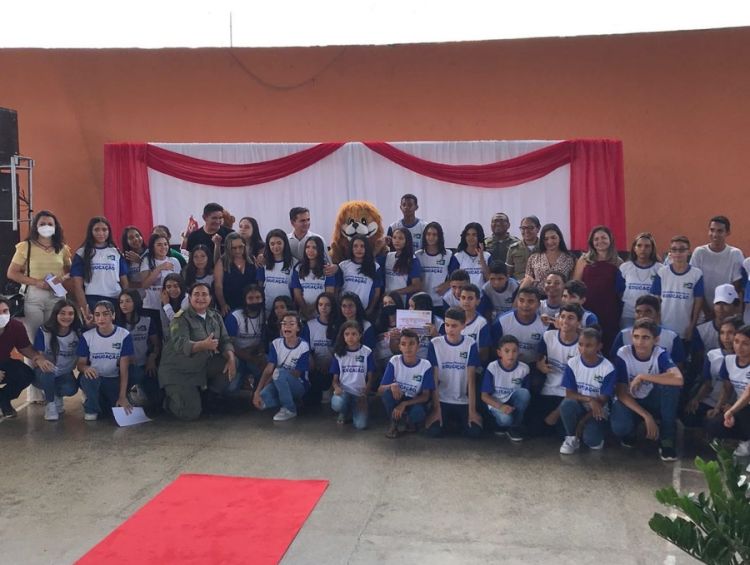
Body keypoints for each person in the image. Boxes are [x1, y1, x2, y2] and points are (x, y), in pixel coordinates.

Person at [7, 210, 72, 404]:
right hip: (34, 296)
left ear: (56, 226)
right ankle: (34, 392)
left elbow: (70, 271)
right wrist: (36, 282)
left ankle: (51, 388)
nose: (46, 227)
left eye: (50, 223)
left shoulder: (63, 248)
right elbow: (12, 273)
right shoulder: (25, 247)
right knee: (34, 341)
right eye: (42, 223)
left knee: (53, 339)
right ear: (36, 226)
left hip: (57, 297)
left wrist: (62, 278)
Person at [158, 282, 236, 421]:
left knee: (231, 362)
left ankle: (209, 396)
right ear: (189, 298)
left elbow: (225, 340)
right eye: (196, 294)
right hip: (179, 372)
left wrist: (231, 358)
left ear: (210, 298)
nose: (200, 298)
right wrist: (203, 345)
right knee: (191, 414)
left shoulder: (215, 316)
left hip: (201, 365)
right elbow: (181, 344)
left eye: (204, 294)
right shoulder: (180, 318)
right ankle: (169, 400)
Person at [610, 318, 684, 461]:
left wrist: (643, 376)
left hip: (652, 399)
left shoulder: (660, 354)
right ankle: (631, 431)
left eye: (645, 337)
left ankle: (667, 438)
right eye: (636, 337)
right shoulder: (623, 353)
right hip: (631, 401)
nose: (640, 342)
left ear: (656, 340)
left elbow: (678, 378)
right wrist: (646, 416)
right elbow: (621, 392)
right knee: (620, 428)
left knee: (671, 387)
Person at [425, 307, 483, 438]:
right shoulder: (435, 343)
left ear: (463, 326)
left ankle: (455, 423)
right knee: (434, 432)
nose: (450, 329)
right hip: (441, 399)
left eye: (454, 326)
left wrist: (472, 411)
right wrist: (436, 409)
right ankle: (450, 423)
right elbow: (434, 379)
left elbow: (471, 380)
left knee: (474, 433)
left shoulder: (470, 344)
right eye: (447, 325)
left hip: (463, 400)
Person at [558, 328, 616, 454]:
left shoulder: (608, 368)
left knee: (592, 442)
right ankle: (571, 438)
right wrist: (589, 399)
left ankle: (593, 432)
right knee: (567, 404)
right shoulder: (572, 363)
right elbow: (569, 394)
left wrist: (582, 422)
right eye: (580, 344)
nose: (583, 349)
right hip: (579, 406)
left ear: (599, 346)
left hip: (598, 411)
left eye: (589, 345)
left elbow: (602, 401)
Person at [76, 301, 134, 421]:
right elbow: (80, 365)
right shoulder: (87, 336)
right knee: (88, 378)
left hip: (113, 379)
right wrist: (86, 368)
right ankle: (91, 408)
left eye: (105, 314)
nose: (101, 318)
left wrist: (122, 396)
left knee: (112, 408)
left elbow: (124, 369)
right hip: (94, 378)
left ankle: (118, 396)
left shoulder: (124, 335)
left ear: (113, 315)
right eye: (97, 315)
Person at [683, 315, 743, 428]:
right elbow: (708, 384)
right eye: (722, 333)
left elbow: (729, 389)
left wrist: (726, 407)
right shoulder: (712, 355)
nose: (726, 337)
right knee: (689, 415)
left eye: (730, 333)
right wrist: (696, 399)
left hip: (733, 404)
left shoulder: (743, 359)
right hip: (711, 400)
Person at [0, 297, 54, 417]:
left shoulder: (16, 326)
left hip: (3, 361)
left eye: (5, 311)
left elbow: (26, 348)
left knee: (25, 374)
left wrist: (38, 358)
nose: (2, 315)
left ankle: (3, 399)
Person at [572, 225, 623, 351]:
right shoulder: (584, 260)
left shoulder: (618, 262)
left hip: (610, 309)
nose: (600, 241)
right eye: (596, 239)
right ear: (591, 242)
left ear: (610, 240)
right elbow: (576, 283)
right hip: (588, 306)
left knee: (608, 341)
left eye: (604, 238)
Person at [253, 311, 310, 421]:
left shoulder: (303, 346)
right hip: (277, 379)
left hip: (298, 384)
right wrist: (258, 391)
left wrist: (277, 375)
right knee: (261, 402)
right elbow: (269, 368)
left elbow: (297, 373)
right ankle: (291, 401)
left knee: (279, 373)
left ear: (298, 328)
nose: (287, 327)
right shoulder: (276, 343)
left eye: (291, 324)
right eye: (284, 324)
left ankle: (289, 408)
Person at [534, 304, 583, 432]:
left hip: (569, 395)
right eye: (562, 316)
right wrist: (540, 365)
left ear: (579, 322)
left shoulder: (582, 345)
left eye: (570, 318)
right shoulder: (548, 336)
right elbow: (539, 359)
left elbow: (582, 383)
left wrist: (555, 414)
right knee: (535, 427)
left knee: (561, 431)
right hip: (549, 389)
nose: (565, 321)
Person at [70, 216, 129, 322]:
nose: (101, 233)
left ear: (109, 231)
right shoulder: (82, 253)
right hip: (92, 299)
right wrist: (85, 310)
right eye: (96, 230)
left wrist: (126, 302)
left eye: (104, 229)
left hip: (115, 299)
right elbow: (77, 285)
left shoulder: (116, 252)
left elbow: (124, 282)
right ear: (90, 231)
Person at [32, 299, 82, 420]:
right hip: (44, 373)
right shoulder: (44, 331)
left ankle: (55, 395)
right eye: (62, 313)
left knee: (70, 389)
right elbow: (38, 356)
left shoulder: (78, 333)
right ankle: (50, 403)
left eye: (70, 313)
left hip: (64, 373)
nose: (67, 317)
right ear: (55, 314)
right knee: (48, 372)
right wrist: (42, 361)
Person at [379, 329, 435, 438]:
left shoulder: (425, 365)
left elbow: (426, 396)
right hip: (398, 398)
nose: (408, 348)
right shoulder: (394, 361)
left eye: (411, 344)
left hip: (414, 400)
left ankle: (410, 422)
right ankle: (394, 423)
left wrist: (404, 404)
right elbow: (380, 390)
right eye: (403, 344)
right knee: (387, 394)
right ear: (399, 347)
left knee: (418, 413)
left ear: (418, 346)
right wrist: (391, 385)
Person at [706, 324, 750, 457]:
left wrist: (732, 410)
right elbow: (727, 388)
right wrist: (718, 408)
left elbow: (748, 393)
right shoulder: (729, 361)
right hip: (741, 407)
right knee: (714, 425)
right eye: (736, 341)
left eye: (745, 343)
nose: (739, 347)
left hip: (744, 407)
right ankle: (740, 441)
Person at [689, 216, 744, 319]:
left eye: (720, 231)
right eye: (712, 230)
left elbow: (737, 286)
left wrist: (722, 310)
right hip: (702, 313)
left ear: (728, 233)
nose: (715, 234)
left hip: (726, 314)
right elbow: (694, 282)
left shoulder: (735, 254)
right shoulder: (699, 252)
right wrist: (706, 311)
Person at [650, 236, 704, 340]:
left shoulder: (696, 274)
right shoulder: (662, 272)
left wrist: (692, 325)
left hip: (685, 328)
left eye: (682, 249)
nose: (678, 253)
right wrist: (657, 322)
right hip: (664, 327)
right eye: (674, 250)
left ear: (688, 252)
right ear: (670, 252)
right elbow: (656, 300)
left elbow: (698, 302)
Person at [610, 294, 685, 365]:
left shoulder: (672, 337)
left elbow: (678, 367)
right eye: (638, 312)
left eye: (648, 311)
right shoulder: (623, 335)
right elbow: (614, 363)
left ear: (657, 314)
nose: (642, 315)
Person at [116, 290, 161, 407]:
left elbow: (156, 344)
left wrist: (152, 358)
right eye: (121, 302)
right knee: (136, 374)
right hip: (124, 366)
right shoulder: (116, 323)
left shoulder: (147, 320)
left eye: (128, 301)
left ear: (135, 302)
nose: (124, 305)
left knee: (156, 400)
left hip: (145, 363)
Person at [481, 335, 531, 441]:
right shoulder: (493, 367)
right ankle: (501, 425)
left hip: (513, 403)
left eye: (514, 351)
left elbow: (525, 395)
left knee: (524, 393)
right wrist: (501, 406)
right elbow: (484, 396)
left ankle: (515, 427)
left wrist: (512, 407)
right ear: (499, 353)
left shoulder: (524, 369)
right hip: (496, 403)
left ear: (518, 352)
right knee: (505, 420)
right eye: (507, 351)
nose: (511, 355)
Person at [330, 320, 375, 429]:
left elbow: (371, 378)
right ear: (343, 336)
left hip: (360, 394)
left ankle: (353, 410)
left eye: (354, 334)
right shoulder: (339, 354)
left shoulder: (366, 352)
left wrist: (365, 393)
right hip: (344, 392)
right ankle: (343, 412)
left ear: (360, 335)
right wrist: (336, 388)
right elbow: (335, 379)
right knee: (337, 404)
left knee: (361, 426)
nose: (350, 337)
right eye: (347, 334)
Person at [491, 287, 547, 370]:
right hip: (506, 366)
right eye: (521, 300)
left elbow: (543, 355)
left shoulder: (545, 326)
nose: (525, 305)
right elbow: (493, 349)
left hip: (533, 368)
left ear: (538, 305)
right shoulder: (501, 321)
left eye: (530, 301)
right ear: (517, 302)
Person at [224, 285, 266, 390]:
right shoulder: (234, 316)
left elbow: (265, 340)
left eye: (258, 297)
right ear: (244, 300)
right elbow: (229, 344)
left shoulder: (265, 314)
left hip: (256, 354)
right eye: (250, 298)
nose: (255, 301)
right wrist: (248, 357)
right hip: (237, 356)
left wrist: (259, 354)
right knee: (231, 389)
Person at [617, 232, 660, 329]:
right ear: (634, 248)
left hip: (650, 316)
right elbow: (619, 291)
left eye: (647, 246)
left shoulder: (660, 269)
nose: (643, 249)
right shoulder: (625, 267)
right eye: (639, 245)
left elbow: (660, 295)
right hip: (629, 314)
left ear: (652, 249)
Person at [139, 232, 183, 325]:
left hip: (170, 304)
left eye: (165, 244)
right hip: (151, 304)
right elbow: (145, 285)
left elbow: (179, 284)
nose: (163, 247)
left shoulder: (174, 261)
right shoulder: (147, 261)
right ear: (153, 247)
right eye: (159, 245)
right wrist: (159, 268)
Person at [301, 292, 337, 404]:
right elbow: (304, 348)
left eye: (327, 305)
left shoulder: (338, 325)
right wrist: (312, 361)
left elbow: (341, 350)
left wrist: (331, 365)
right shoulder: (309, 325)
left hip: (334, 367)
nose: (323, 308)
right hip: (315, 366)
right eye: (320, 304)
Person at [291, 236, 337, 320]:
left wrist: (314, 308)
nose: (310, 250)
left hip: (322, 313)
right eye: (308, 247)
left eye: (314, 247)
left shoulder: (327, 268)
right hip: (303, 314)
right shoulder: (298, 268)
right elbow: (297, 292)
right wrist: (305, 309)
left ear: (320, 249)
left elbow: (329, 293)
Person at [520, 223, 575, 292]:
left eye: (553, 237)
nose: (550, 241)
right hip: (537, 297)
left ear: (560, 238)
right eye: (546, 239)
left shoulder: (570, 259)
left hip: (560, 297)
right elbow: (528, 279)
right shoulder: (534, 258)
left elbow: (572, 283)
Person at [337, 234, 382, 318]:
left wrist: (370, 309)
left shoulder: (375, 267)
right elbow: (337, 289)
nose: (359, 249)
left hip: (364, 311)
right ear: (351, 248)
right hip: (344, 311)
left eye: (362, 246)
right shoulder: (343, 265)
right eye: (355, 246)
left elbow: (377, 293)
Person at [214, 232, 257, 315]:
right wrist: (223, 304)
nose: (238, 250)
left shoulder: (252, 260)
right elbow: (218, 286)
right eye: (234, 248)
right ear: (228, 248)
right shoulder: (222, 262)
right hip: (230, 306)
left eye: (241, 247)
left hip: (249, 305)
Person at [415, 222, 453, 313]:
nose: (431, 237)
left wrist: (447, 284)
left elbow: (456, 277)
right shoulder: (418, 255)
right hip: (422, 302)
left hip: (441, 302)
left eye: (434, 234)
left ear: (440, 236)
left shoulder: (448, 255)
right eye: (428, 234)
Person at [257, 229, 296, 316]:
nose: (276, 246)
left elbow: (296, 290)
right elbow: (260, 285)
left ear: (285, 243)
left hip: (287, 310)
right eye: (272, 244)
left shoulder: (294, 263)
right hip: (268, 308)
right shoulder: (263, 262)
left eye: (279, 243)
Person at [380, 227, 422, 297]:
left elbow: (416, 286)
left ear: (407, 240)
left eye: (401, 238)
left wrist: (394, 293)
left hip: (403, 301)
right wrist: (382, 245)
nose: (397, 241)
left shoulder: (412, 260)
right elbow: (371, 262)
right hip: (387, 300)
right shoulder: (388, 256)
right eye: (394, 237)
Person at [457, 284, 491, 364]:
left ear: (478, 301)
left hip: (474, 366)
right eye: (463, 298)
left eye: (470, 298)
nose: (466, 301)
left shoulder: (481, 323)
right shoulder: (454, 319)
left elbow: (484, 355)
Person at [448, 222, 491, 286]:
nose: (470, 238)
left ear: (479, 236)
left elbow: (489, 281)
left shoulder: (487, 256)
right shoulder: (458, 257)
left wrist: (482, 259)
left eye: (474, 235)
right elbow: (452, 281)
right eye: (468, 234)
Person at [159, 273, 188, 339]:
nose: (172, 289)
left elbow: (175, 320)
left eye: (176, 286)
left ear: (181, 287)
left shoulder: (187, 300)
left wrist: (166, 304)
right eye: (168, 287)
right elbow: (165, 325)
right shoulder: (164, 300)